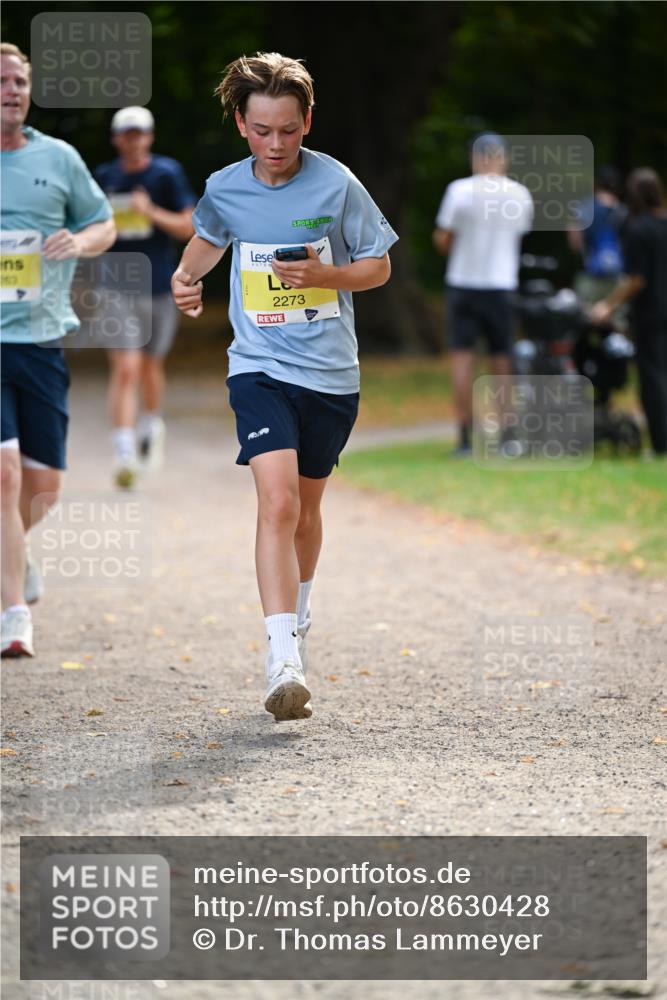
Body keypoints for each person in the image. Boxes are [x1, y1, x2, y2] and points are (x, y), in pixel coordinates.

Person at [171, 52, 397, 721]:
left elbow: (377, 266)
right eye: (263, 129)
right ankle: (281, 657)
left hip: (329, 374)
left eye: (289, 130)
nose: (276, 145)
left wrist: (325, 278)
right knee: (275, 503)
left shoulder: (337, 184)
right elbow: (207, 242)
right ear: (241, 123)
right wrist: (185, 282)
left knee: (305, 506)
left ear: (306, 122)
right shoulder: (225, 187)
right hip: (259, 366)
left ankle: (298, 617)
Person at [1, 43, 115, 657]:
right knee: (4, 471)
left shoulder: (58, 157)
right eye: (2, 81)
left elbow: (105, 222)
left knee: (43, 486)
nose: (12, 90)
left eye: (19, 81)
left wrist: (82, 241)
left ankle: (9, 553)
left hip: (42, 337)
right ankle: (14, 615)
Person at [94, 106, 196, 488]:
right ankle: (123, 453)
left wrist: (149, 210)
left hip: (158, 286)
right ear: (117, 138)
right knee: (126, 369)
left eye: (139, 133)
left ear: (149, 137)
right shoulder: (104, 177)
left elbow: (188, 226)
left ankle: (151, 424)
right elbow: (90, 226)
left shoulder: (165, 174)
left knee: (150, 368)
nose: (133, 140)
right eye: (126, 134)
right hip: (115, 286)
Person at [433, 133, 533, 456]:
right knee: (502, 361)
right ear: (503, 158)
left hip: (463, 283)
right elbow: (519, 238)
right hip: (501, 285)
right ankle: (508, 436)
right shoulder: (520, 194)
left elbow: (443, 240)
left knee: (463, 361)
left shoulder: (459, 191)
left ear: (476, 158)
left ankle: (464, 438)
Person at [591, 168, 667, 457]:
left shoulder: (638, 229)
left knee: (653, 377)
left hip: (651, 313)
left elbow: (636, 279)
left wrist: (607, 305)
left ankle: (661, 443)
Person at [567, 165, 627, 313]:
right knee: (616, 323)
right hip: (618, 278)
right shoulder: (624, 211)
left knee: (586, 320)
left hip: (590, 274)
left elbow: (575, 242)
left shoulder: (584, 207)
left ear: (597, 183)